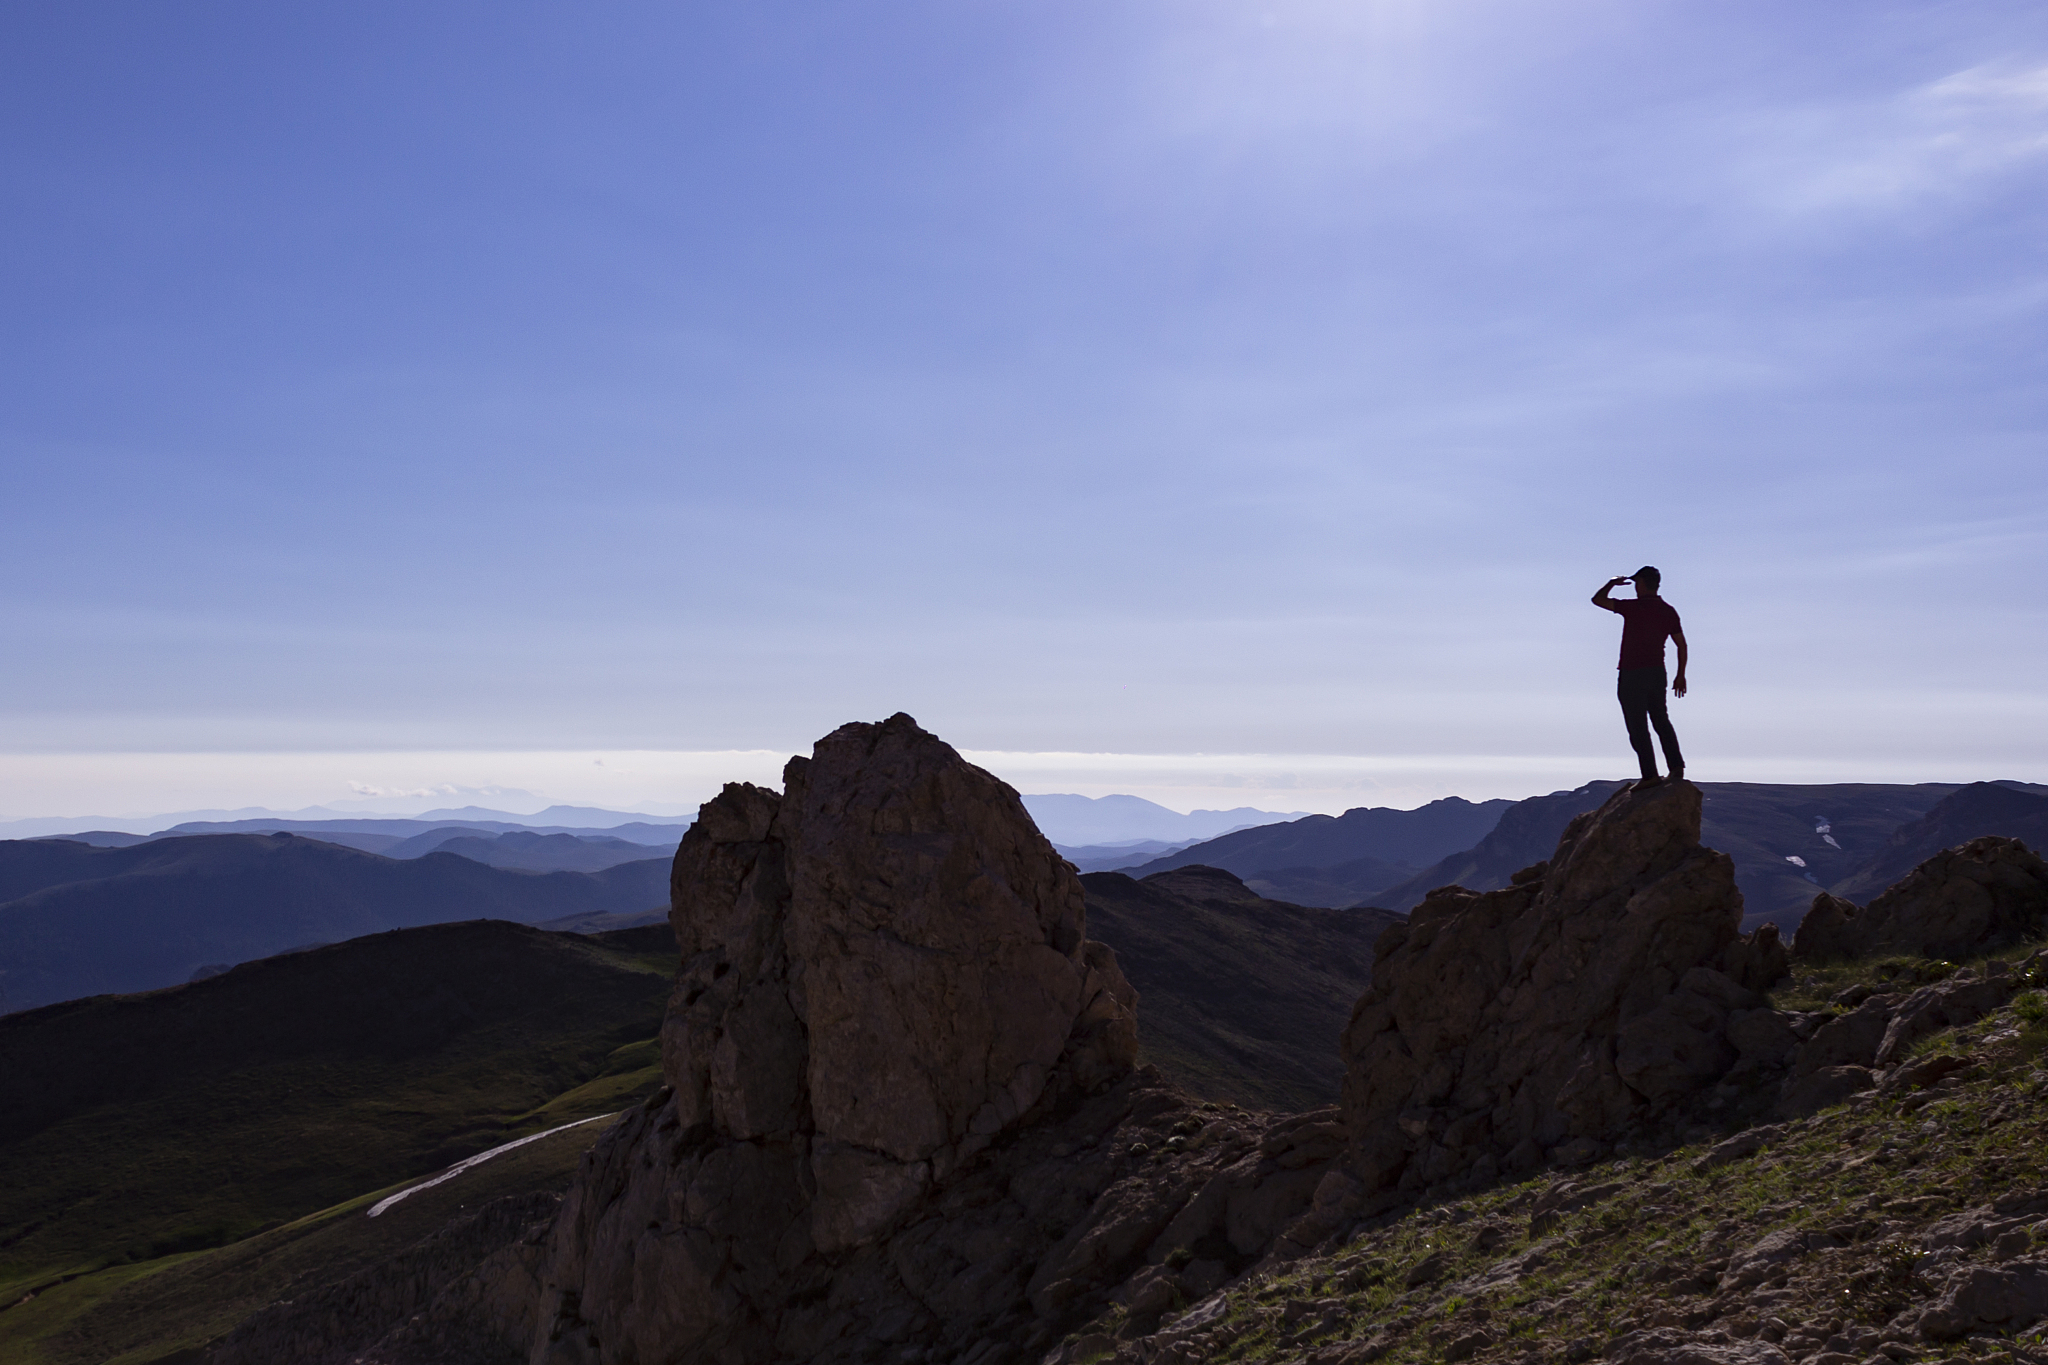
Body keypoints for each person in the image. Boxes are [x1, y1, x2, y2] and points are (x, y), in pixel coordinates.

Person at [1592, 566, 1687, 786]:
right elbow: (1681, 644)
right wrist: (1680, 675)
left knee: (1638, 727)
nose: (1635, 587)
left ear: (1642, 583)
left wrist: (1611, 583)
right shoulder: (1668, 611)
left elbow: (1597, 600)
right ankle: (1676, 768)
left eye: (1636, 583)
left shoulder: (1633, 607)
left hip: (1632, 673)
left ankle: (1650, 776)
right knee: (1661, 720)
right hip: (1657, 673)